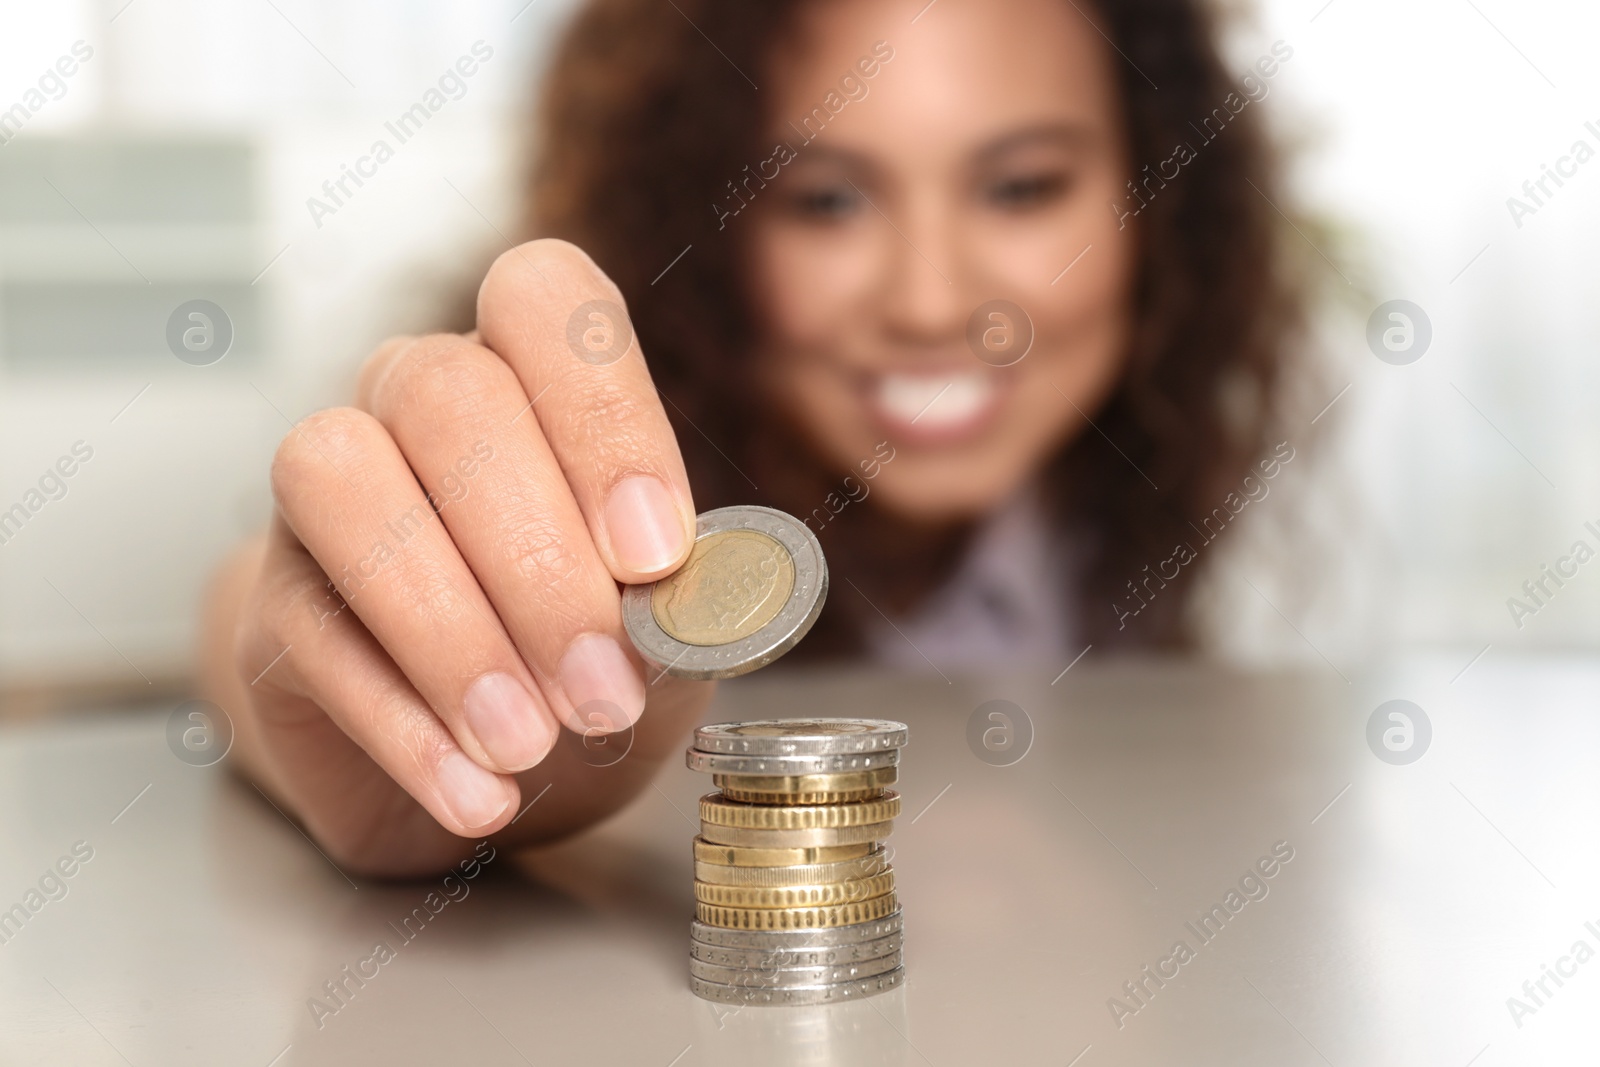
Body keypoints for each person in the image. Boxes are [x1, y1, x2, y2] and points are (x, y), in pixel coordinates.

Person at [200, 0, 1304, 876]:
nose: (929, 300)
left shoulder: (1119, 504)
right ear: (704, 224)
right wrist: (360, 683)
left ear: (1161, 203)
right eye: (824, 201)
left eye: (1021, 188)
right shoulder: (594, 504)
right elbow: (246, 612)